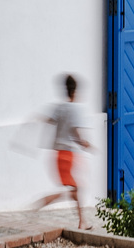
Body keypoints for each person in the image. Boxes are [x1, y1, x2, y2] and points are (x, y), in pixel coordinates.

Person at [35, 73, 92, 228]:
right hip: (70, 154)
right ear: (75, 91)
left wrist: (38, 118)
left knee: (76, 189)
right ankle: (48, 199)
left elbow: (49, 120)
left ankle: (82, 222)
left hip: (58, 154)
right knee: (76, 189)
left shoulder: (60, 108)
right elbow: (76, 133)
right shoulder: (75, 109)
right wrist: (86, 143)